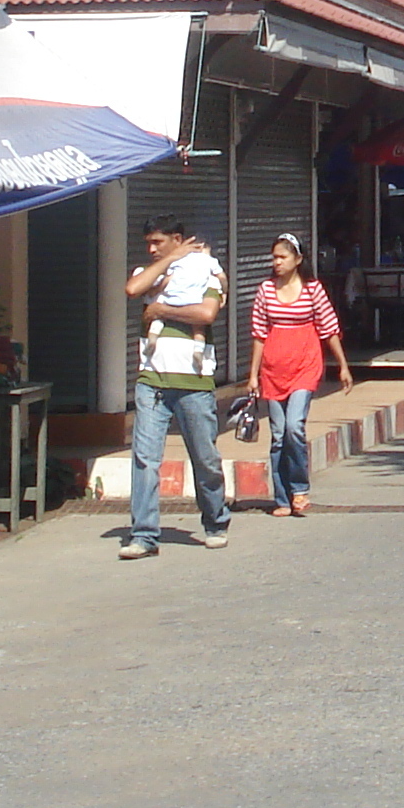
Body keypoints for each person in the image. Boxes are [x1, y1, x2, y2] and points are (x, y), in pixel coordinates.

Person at [115, 216, 230, 559]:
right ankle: (144, 534)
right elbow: (133, 289)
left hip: (194, 382)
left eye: (158, 243)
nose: (151, 249)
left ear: (177, 238)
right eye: (148, 244)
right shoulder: (150, 272)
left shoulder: (204, 271)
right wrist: (168, 259)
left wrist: (162, 308)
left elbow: (207, 313)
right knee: (145, 459)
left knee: (204, 457)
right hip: (152, 381)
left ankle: (215, 521)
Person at [246, 232, 351, 518]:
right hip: (273, 369)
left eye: (283, 257)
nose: (277, 262)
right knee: (278, 435)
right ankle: (282, 497)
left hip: (305, 365)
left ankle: (300, 489)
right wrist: (253, 374)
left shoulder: (313, 290)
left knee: (294, 426)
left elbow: (329, 328)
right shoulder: (266, 290)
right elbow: (259, 334)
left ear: (298, 259)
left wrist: (342, 365)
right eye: (274, 257)